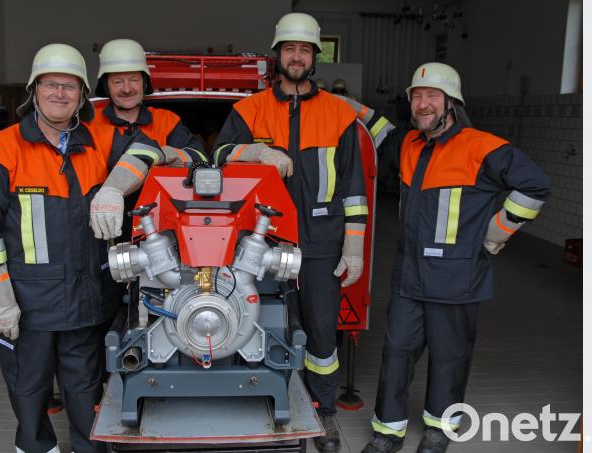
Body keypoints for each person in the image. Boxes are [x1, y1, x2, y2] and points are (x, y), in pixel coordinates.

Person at [360, 62, 551, 453]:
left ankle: (438, 429)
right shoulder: (410, 144)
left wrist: (497, 231)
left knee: (449, 358)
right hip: (410, 276)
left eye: (432, 96)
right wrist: (338, 104)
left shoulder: (484, 147)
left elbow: (535, 185)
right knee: (396, 351)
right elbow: (378, 130)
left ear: (451, 103)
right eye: (417, 97)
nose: (423, 104)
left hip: (457, 278)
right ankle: (388, 432)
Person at [211, 12, 369, 453]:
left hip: (321, 242)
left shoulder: (339, 115)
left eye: (304, 50)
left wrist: (353, 246)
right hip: (261, 241)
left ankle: (323, 413)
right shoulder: (249, 109)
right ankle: (267, 403)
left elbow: (354, 188)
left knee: (321, 334)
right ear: (276, 55)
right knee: (260, 325)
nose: (296, 57)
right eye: (289, 49)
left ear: (315, 57)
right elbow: (220, 155)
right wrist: (257, 151)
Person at [0, 43, 118, 453]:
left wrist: (116, 187)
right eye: (51, 84)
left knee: (85, 389)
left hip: (84, 299)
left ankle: (91, 448)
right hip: (26, 305)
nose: (60, 94)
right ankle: (35, 448)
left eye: (70, 86)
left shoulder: (97, 143)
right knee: (28, 390)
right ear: (34, 89)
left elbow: (147, 150)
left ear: (83, 95)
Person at [87, 38, 206, 241]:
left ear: (144, 81)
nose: (127, 88)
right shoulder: (89, 125)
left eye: (133, 79)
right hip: (100, 234)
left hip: (159, 234)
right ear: (106, 86)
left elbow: (199, 158)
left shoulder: (166, 121)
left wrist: (163, 154)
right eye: (117, 81)